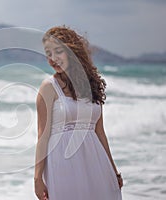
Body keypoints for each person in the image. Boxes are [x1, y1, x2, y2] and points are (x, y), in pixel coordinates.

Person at [34, 26, 123, 200]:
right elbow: (42, 136)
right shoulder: (49, 87)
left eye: (58, 51)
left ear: (71, 51)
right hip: (63, 164)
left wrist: (113, 170)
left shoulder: (91, 85)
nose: (53, 59)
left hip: (96, 162)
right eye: (48, 53)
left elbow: (100, 133)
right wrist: (37, 178)